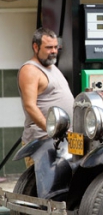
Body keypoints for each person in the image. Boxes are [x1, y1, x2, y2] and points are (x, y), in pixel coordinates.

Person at [18, 27, 74, 168]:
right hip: (42, 140)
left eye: (56, 47)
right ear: (35, 47)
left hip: (62, 139)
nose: (54, 51)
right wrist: (53, 130)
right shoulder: (30, 70)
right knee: (41, 187)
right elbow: (30, 106)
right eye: (49, 47)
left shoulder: (51, 66)